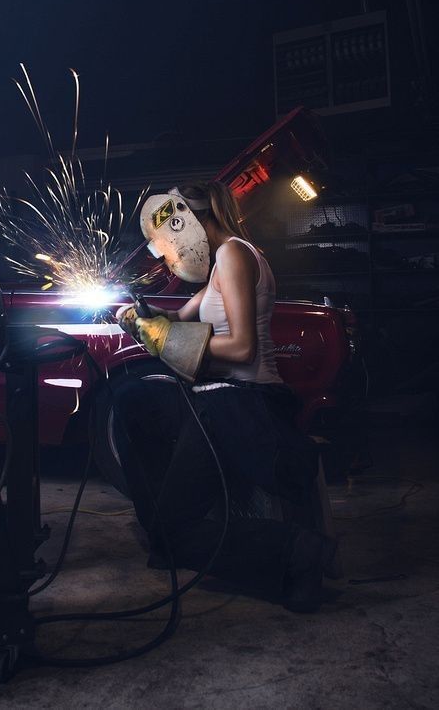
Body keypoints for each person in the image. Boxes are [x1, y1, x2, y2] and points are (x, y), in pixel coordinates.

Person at [114, 181, 336, 612]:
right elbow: (176, 318)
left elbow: (242, 348)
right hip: (217, 396)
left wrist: (163, 335)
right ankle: (166, 527)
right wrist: (140, 317)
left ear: (192, 222)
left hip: (245, 400)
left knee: (175, 533)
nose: (170, 250)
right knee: (131, 403)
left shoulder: (234, 253)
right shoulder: (220, 265)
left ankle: (297, 552)